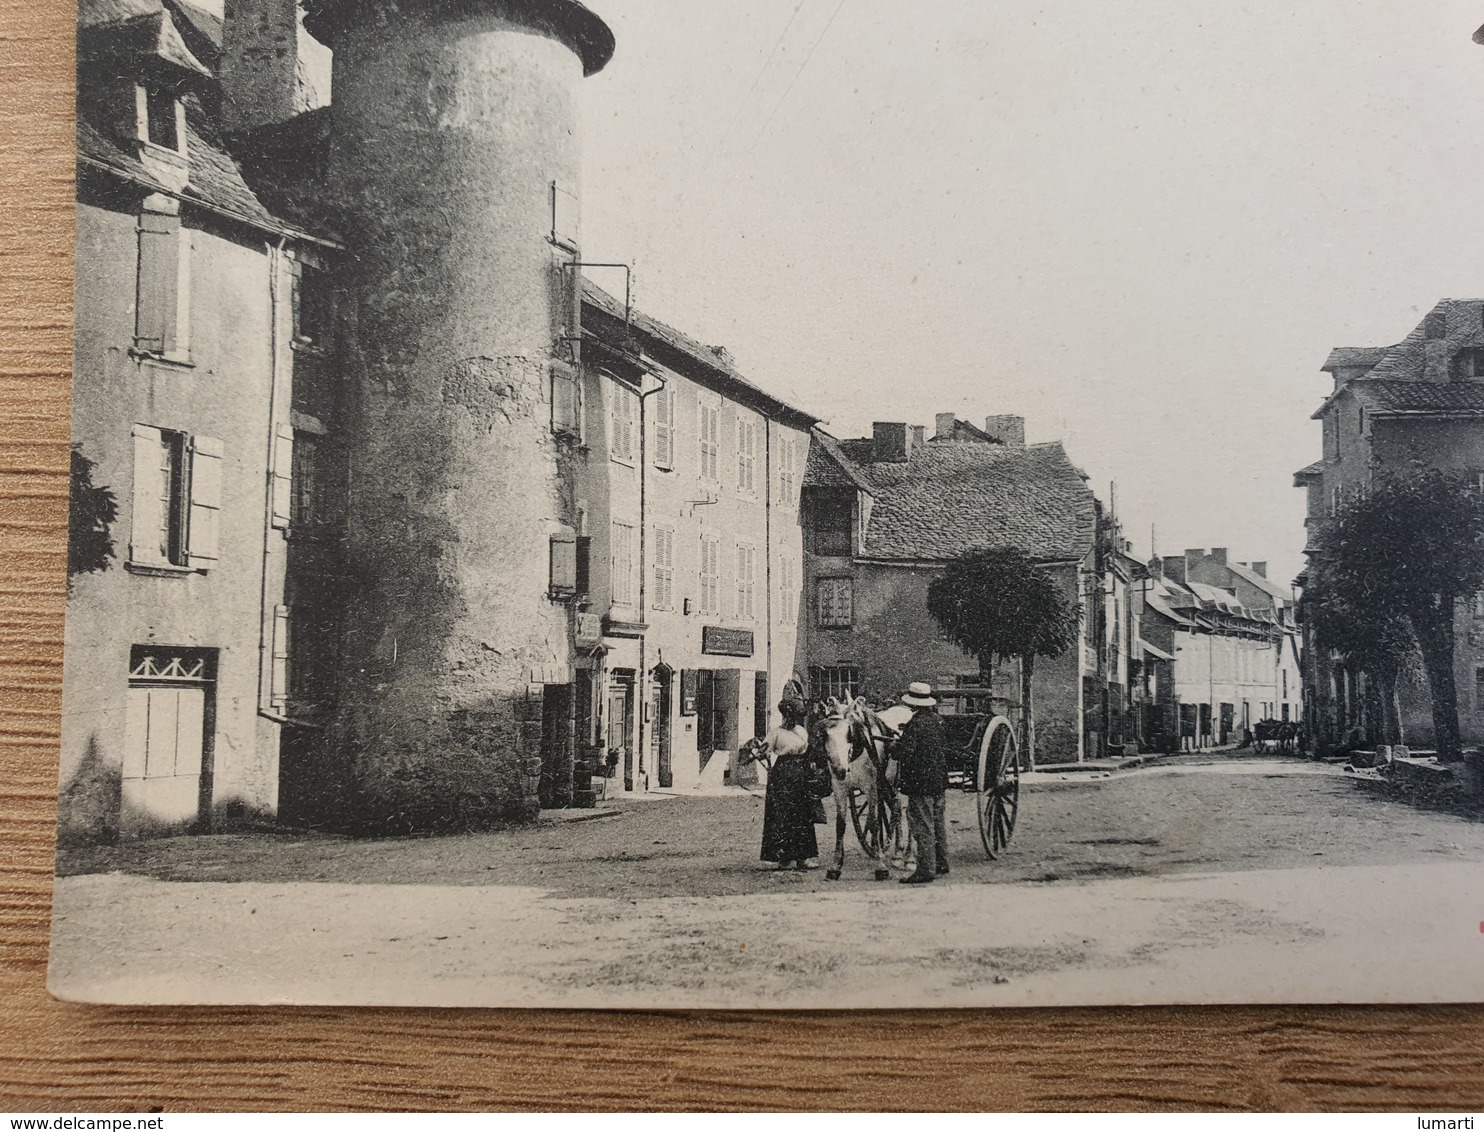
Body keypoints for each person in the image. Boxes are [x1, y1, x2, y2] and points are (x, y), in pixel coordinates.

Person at [759, 695, 823, 872]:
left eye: (795, 717)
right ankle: (784, 858)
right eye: (790, 717)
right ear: (785, 716)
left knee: (803, 815)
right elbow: (764, 750)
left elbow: (808, 750)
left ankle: (804, 857)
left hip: (801, 772)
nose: (792, 720)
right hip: (783, 774)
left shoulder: (802, 731)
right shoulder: (775, 733)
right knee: (783, 815)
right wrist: (759, 752)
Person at [894, 680, 949, 884]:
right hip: (939, 780)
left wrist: (894, 749)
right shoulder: (938, 721)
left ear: (912, 704)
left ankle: (925, 869)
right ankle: (942, 862)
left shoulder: (914, 725)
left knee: (922, 824)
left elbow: (907, 753)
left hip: (920, 783)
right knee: (937, 822)